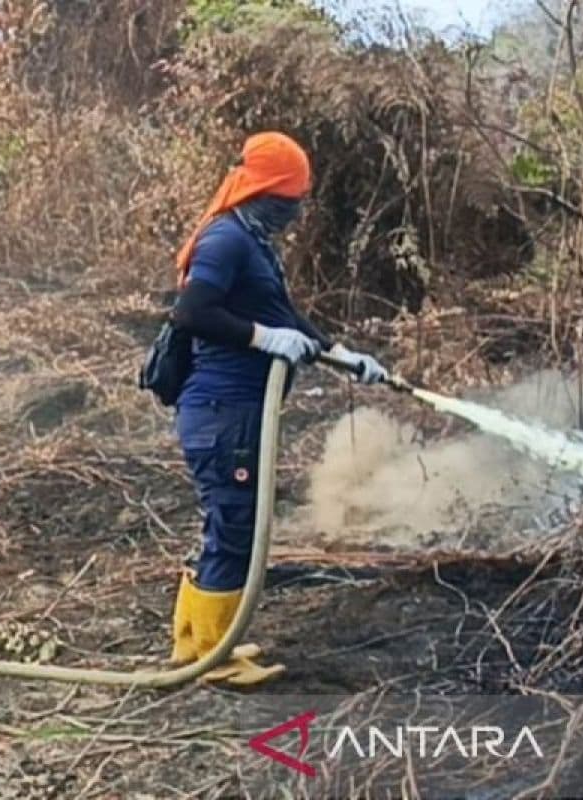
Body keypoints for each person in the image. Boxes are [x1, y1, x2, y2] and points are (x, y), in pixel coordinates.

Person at [168, 132, 387, 686]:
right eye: (291, 200)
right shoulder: (226, 241)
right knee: (237, 525)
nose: (297, 211)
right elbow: (191, 313)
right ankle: (215, 655)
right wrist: (263, 339)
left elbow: (286, 316)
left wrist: (344, 356)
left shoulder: (253, 240)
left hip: (234, 410)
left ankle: (193, 640)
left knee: (225, 522)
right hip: (222, 410)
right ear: (267, 192)